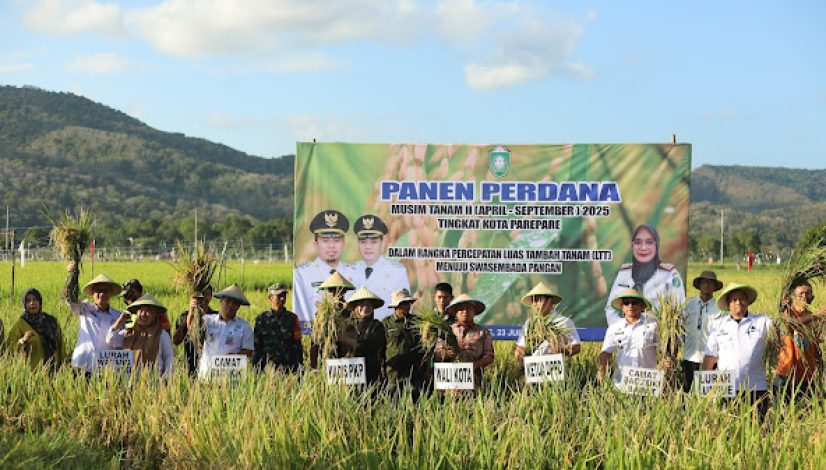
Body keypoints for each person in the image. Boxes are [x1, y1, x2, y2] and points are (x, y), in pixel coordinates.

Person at [702, 284, 771, 415]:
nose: (738, 302)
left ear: (748, 302)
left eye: (742, 299)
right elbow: (710, 356)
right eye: (734, 300)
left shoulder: (762, 321)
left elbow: (783, 329)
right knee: (728, 429)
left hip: (756, 386)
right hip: (726, 387)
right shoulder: (718, 325)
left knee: (758, 429)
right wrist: (706, 391)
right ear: (728, 305)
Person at [604, 224, 685, 326]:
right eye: (638, 242)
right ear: (632, 246)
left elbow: (678, 311)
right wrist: (620, 332)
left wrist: (660, 335)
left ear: (657, 245)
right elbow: (611, 309)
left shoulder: (669, 275)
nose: (643, 247)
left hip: (656, 337)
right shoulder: (624, 273)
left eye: (649, 242)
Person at [293, 209, 357, 323]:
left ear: (343, 244)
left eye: (336, 240)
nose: (331, 246)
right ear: (315, 244)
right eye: (325, 240)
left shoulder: (355, 273)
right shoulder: (302, 274)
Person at [351, 214, 410, 321]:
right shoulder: (349, 271)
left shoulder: (397, 271)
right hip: (354, 333)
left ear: (382, 243)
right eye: (363, 242)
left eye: (373, 242)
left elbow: (406, 308)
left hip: (385, 332)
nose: (368, 247)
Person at [597, 288, 658, 386]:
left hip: (648, 383)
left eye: (634, 303)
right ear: (622, 307)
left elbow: (664, 353)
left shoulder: (653, 326)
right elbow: (606, 353)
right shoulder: (614, 328)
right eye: (626, 303)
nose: (630, 306)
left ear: (642, 306)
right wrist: (601, 372)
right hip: (622, 382)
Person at [773, 280, 823, 401]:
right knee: (783, 414)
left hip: (808, 376)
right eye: (800, 294)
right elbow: (792, 324)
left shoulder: (816, 320)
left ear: (812, 297)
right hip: (785, 375)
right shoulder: (786, 316)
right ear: (793, 297)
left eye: (807, 294)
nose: (804, 297)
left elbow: (816, 348)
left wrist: (821, 369)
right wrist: (817, 315)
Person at [434, 294, 495, 389]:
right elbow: (436, 354)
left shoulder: (483, 332)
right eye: (461, 309)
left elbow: (489, 356)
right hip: (449, 381)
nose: (465, 312)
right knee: (448, 402)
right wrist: (444, 354)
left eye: (469, 308)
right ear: (456, 312)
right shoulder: (447, 331)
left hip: (474, 380)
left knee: (471, 402)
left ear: (474, 311)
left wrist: (475, 365)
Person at [106, 294, 174, 378]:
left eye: (148, 311)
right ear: (136, 314)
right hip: (129, 383)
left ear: (155, 315)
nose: (143, 314)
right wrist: (120, 321)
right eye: (140, 311)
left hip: (153, 383)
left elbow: (169, 358)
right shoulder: (128, 333)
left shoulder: (162, 334)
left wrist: (167, 379)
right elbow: (111, 340)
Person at [67, 272, 122, 374]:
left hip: (106, 368)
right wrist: (71, 275)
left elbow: (120, 343)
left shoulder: (118, 316)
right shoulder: (84, 308)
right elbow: (71, 299)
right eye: (98, 291)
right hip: (82, 364)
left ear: (110, 293)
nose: (102, 294)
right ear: (92, 293)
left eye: (105, 291)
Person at [514, 282, 581, 366]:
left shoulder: (563, 321)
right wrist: (520, 354)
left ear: (549, 301)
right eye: (533, 301)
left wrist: (560, 350)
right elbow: (521, 347)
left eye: (538, 300)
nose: (535, 304)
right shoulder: (529, 323)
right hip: (532, 371)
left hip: (555, 371)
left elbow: (577, 347)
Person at [680, 271, 724, 392]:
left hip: (710, 359)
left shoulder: (720, 308)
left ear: (715, 287)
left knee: (707, 393)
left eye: (710, 283)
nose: (707, 285)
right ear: (699, 285)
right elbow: (679, 326)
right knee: (686, 392)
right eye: (704, 282)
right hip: (689, 355)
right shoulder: (688, 304)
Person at [198, 284, 254, 376]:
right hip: (207, 374)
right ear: (221, 301)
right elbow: (193, 331)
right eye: (227, 301)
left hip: (232, 377)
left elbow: (249, 351)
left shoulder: (244, 326)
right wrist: (193, 310)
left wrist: (235, 356)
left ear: (238, 306)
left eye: (235, 303)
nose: (231, 305)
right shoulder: (207, 321)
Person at [6, 288, 65, 370]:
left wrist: (64, 365)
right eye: (28, 301)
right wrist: (23, 340)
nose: (32, 303)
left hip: (55, 371)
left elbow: (61, 345)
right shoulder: (21, 324)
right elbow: (10, 349)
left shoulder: (52, 322)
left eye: (35, 299)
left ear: (40, 302)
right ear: (25, 304)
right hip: (33, 374)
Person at [340, 287, 387, 386]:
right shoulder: (347, 326)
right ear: (354, 307)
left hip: (370, 373)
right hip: (348, 373)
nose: (365, 307)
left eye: (369, 304)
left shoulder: (377, 325)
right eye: (361, 304)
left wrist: (347, 340)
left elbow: (369, 345)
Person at [382, 288, 426, 394]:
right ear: (396, 306)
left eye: (409, 303)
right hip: (393, 375)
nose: (408, 306)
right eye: (404, 303)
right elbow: (380, 348)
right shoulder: (386, 323)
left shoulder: (418, 322)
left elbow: (425, 345)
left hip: (415, 375)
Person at [309, 271, 357, 368]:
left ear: (344, 292)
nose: (335, 293)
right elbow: (314, 343)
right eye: (331, 290)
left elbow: (355, 342)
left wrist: (342, 338)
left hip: (346, 363)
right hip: (327, 363)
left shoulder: (351, 313)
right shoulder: (321, 314)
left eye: (339, 290)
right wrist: (313, 368)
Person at [252, 283, 303, 372]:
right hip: (267, 369)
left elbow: (297, 345)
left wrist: (299, 367)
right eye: (279, 296)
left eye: (284, 296)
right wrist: (256, 368)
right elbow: (257, 346)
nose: (282, 298)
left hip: (288, 369)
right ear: (270, 298)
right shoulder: (262, 319)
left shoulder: (293, 318)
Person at [172, 285, 218, 376]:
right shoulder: (184, 316)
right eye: (200, 295)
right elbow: (176, 341)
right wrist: (191, 313)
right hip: (190, 368)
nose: (203, 298)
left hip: (211, 368)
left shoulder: (216, 317)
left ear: (211, 297)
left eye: (206, 294)